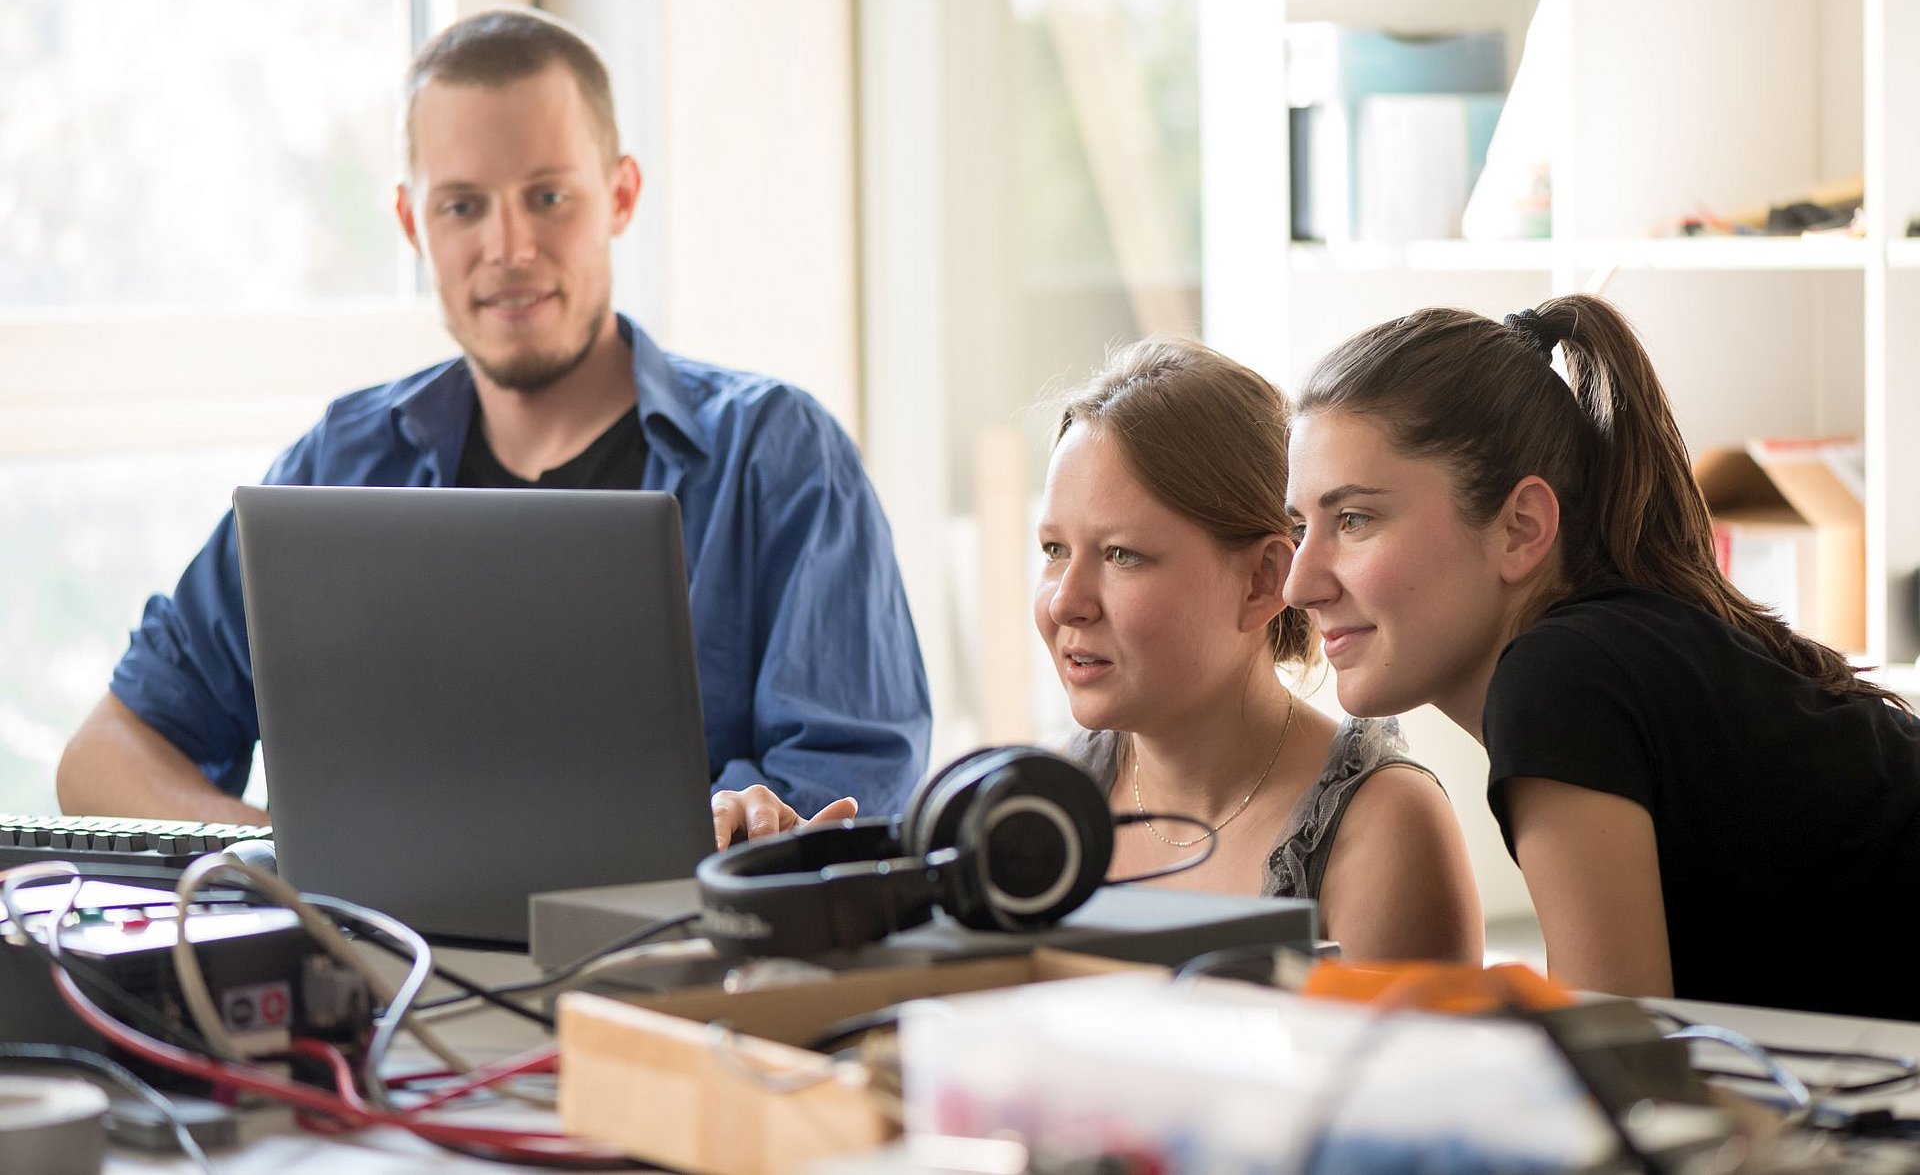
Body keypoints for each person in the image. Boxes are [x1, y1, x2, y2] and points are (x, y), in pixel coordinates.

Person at [56, 7, 930, 831]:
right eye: (462, 206)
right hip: (383, 983)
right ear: (411, 222)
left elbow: (856, 792)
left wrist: (747, 822)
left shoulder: (777, 457)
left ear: (620, 196)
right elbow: (106, 759)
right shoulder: (336, 465)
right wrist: (296, 864)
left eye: (548, 197)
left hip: (670, 986)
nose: (508, 248)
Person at [718, 339, 1484, 965]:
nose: (1064, 601)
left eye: (1120, 556)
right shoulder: (1031, 811)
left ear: (1263, 581)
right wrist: (788, 892)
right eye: (1054, 549)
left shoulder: (1382, 831)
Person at [1282, 295, 1920, 1019]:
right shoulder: (1621, 647)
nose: (1299, 582)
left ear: (1522, 527)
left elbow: (1623, 1065)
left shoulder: (1559, 679)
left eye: (1355, 520)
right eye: (1300, 527)